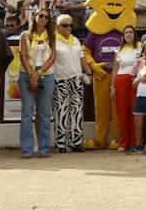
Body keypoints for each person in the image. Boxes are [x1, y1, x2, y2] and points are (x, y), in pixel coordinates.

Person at [17, 11, 56, 158]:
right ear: (35, 17)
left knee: (45, 113)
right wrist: (32, 74)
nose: (44, 19)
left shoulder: (51, 35)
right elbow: (23, 56)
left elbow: (53, 57)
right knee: (27, 113)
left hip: (46, 74)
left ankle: (44, 148)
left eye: (46, 17)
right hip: (27, 73)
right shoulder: (25, 35)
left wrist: (38, 74)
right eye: (41, 16)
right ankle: (27, 148)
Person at [51, 14, 91, 152]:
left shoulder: (75, 40)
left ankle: (76, 142)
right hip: (61, 79)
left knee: (77, 111)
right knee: (61, 111)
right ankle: (61, 143)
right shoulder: (53, 41)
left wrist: (88, 72)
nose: (68, 28)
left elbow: (82, 57)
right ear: (57, 26)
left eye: (70, 25)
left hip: (77, 79)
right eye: (65, 25)